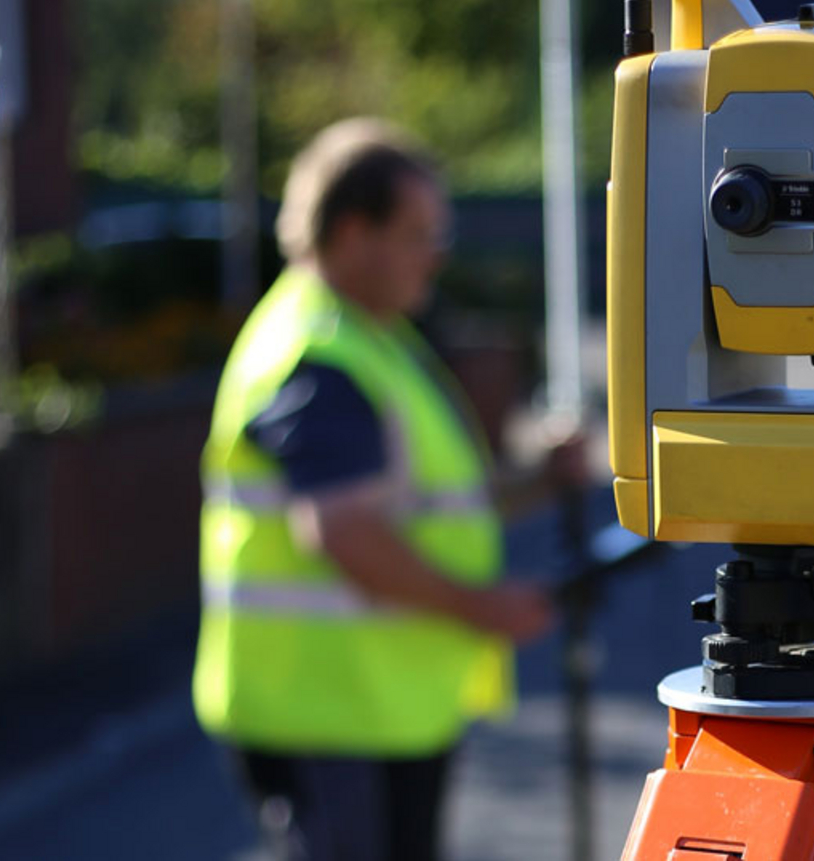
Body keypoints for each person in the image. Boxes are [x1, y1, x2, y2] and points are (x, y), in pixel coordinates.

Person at [193, 118, 557, 861]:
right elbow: (342, 531)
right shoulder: (318, 355)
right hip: (326, 713)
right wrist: (479, 607)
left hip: (368, 709)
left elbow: (435, 502)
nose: (437, 254)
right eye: (419, 233)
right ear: (354, 232)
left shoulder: (368, 336)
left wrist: (543, 479)